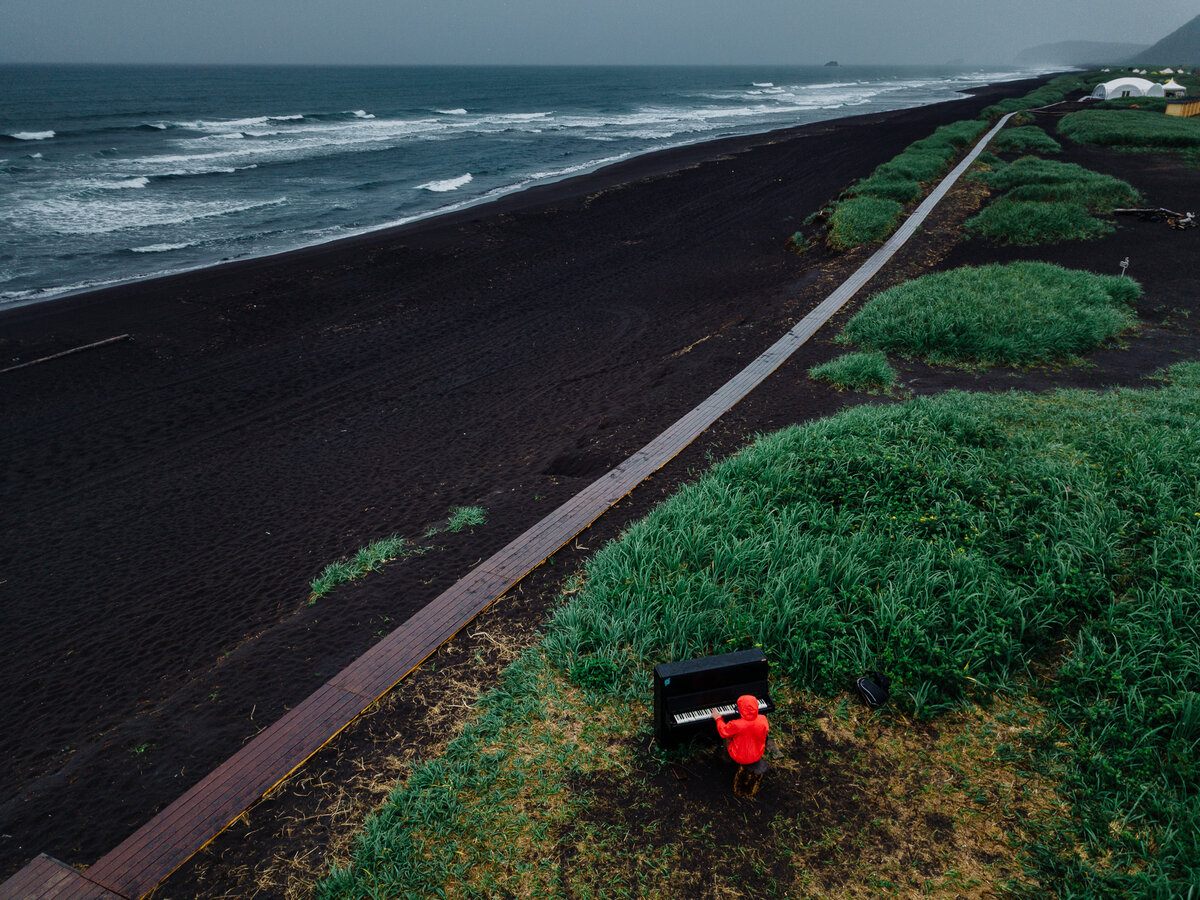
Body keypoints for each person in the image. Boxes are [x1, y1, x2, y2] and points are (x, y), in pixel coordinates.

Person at [713, 694, 770, 796]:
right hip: (757, 754)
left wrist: (718, 719)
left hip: (740, 757)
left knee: (727, 737)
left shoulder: (736, 724)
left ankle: (726, 758)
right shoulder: (763, 719)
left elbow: (723, 731)